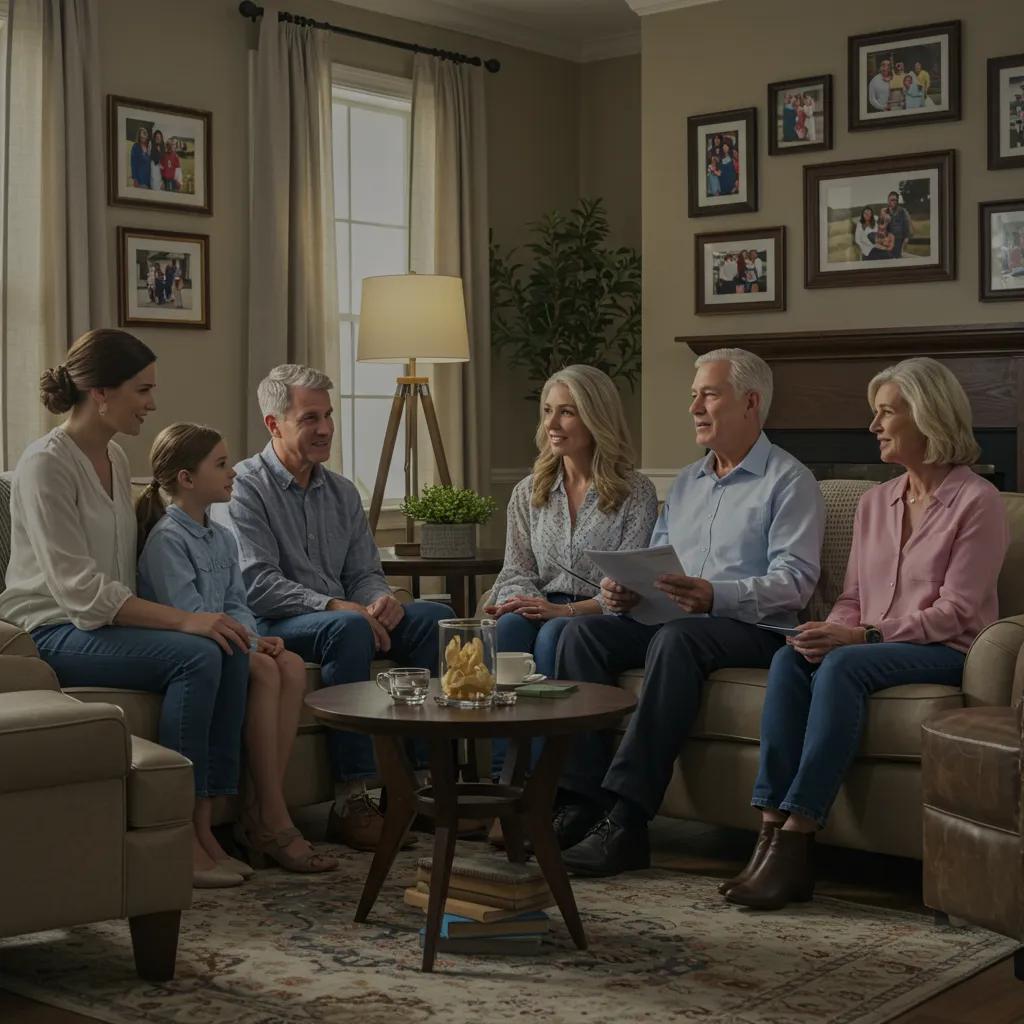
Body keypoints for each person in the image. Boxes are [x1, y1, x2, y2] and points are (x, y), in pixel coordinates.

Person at [726, 358, 1008, 910]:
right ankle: (769, 829)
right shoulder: (875, 501)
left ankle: (800, 837)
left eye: (885, 413)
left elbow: (955, 613)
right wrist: (831, 629)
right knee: (791, 657)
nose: (874, 426)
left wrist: (861, 640)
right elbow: (853, 597)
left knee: (842, 665)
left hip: (943, 651)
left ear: (926, 417)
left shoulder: (978, 501)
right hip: (872, 643)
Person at [551, 348, 825, 877]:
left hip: (755, 631)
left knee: (676, 640)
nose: (695, 406)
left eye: (709, 394)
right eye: (693, 396)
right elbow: (657, 560)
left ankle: (627, 820)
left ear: (750, 403)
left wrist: (714, 596)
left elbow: (793, 584)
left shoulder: (790, 482)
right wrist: (624, 591)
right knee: (578, 635)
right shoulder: (687, 482)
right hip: (678, 622)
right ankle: (580, 801)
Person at [0, 329, 259, 889]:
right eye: (142, 390)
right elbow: (81, 592)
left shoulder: (115, 455)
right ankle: (177, 839)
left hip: (106, 625)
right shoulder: (44, 464)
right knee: (197, 655)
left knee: (230, 646)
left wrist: (206, 618)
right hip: (52, 630)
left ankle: (208, 828)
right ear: (99, 391)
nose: (152, 403)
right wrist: (188, 620)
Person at [211, 364, 453, 851]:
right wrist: (340, 606)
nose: (324, 429)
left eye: (328, 416)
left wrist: (378, 600)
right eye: (309, 418)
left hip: (345, 615)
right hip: (278, 622)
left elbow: (364, 572)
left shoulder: (341, 491)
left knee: (430, 620)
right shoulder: (243, 489)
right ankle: (354, 800)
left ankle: (423, 788)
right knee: (348, 629)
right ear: (273, 423)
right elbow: (256, 584)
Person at [137, 423, 338, 874]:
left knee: (285, 661)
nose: (233, 473)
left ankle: (265, 808)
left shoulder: (221, 536)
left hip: (229, 640)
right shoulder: (168, 539)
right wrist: (244, 645)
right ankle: (270, 813)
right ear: (187, 479)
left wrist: (254, 639)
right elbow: (183, 612)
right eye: (222, 464)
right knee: (267, 671)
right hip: (195, 643)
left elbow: (235, 603)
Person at [484, 366, 657, 775]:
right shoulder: (529, 490)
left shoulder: (635, 491)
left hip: (603, 615)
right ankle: (503, 784)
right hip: (545, 605)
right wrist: (516, 601)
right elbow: (517, 566)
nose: (552, 424)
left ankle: (547, 788)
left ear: (596, 418)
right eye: (548, 411)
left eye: (567, 412)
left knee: (557, 634)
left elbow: (629, 584)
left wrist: (564, 612)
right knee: (506, 632)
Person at [885, 190, 912, 257]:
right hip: (888, 242)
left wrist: (906, 239)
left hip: (899, 242)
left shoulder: (903, 211)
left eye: (895, 200)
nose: (893, 202)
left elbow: (907, 227)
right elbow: (881, 228)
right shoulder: (885, 212)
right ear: (888, 200)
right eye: (891, 200)